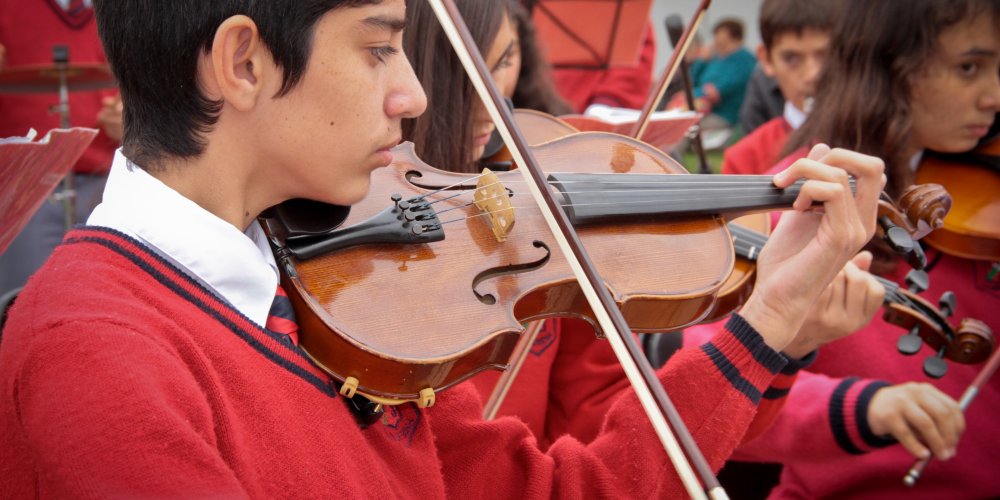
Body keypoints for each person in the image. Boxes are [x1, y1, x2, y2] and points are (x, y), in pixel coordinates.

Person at [0, 0, 886, 497]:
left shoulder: (337, 292)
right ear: (243, 62)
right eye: (381, 48)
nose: (415, 93)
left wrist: (766, 320)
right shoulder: (97, 353)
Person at [401, 0, 881, 451]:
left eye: (504, 59)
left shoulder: (541, 217)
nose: (491, 104)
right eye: (458, 72)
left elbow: (620, 438)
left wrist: (779, 337)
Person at [712, 1, 1000, 497]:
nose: (994, 96)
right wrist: (861, 407)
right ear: (890, 67)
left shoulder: (983, 197)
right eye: (968, 68)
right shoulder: (801, 198)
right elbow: (712, 396)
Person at [0, 0, 122, 295]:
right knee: (21, 298)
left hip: (109, 178)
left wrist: (131, 117)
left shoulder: (126, 11)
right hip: (24, 186)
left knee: (101, 296)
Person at [723, 0, 836, 175]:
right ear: (766, 59)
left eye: (825, 55)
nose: (812, 74)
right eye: (792, 58)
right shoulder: (744, 158)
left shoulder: (877, 136)